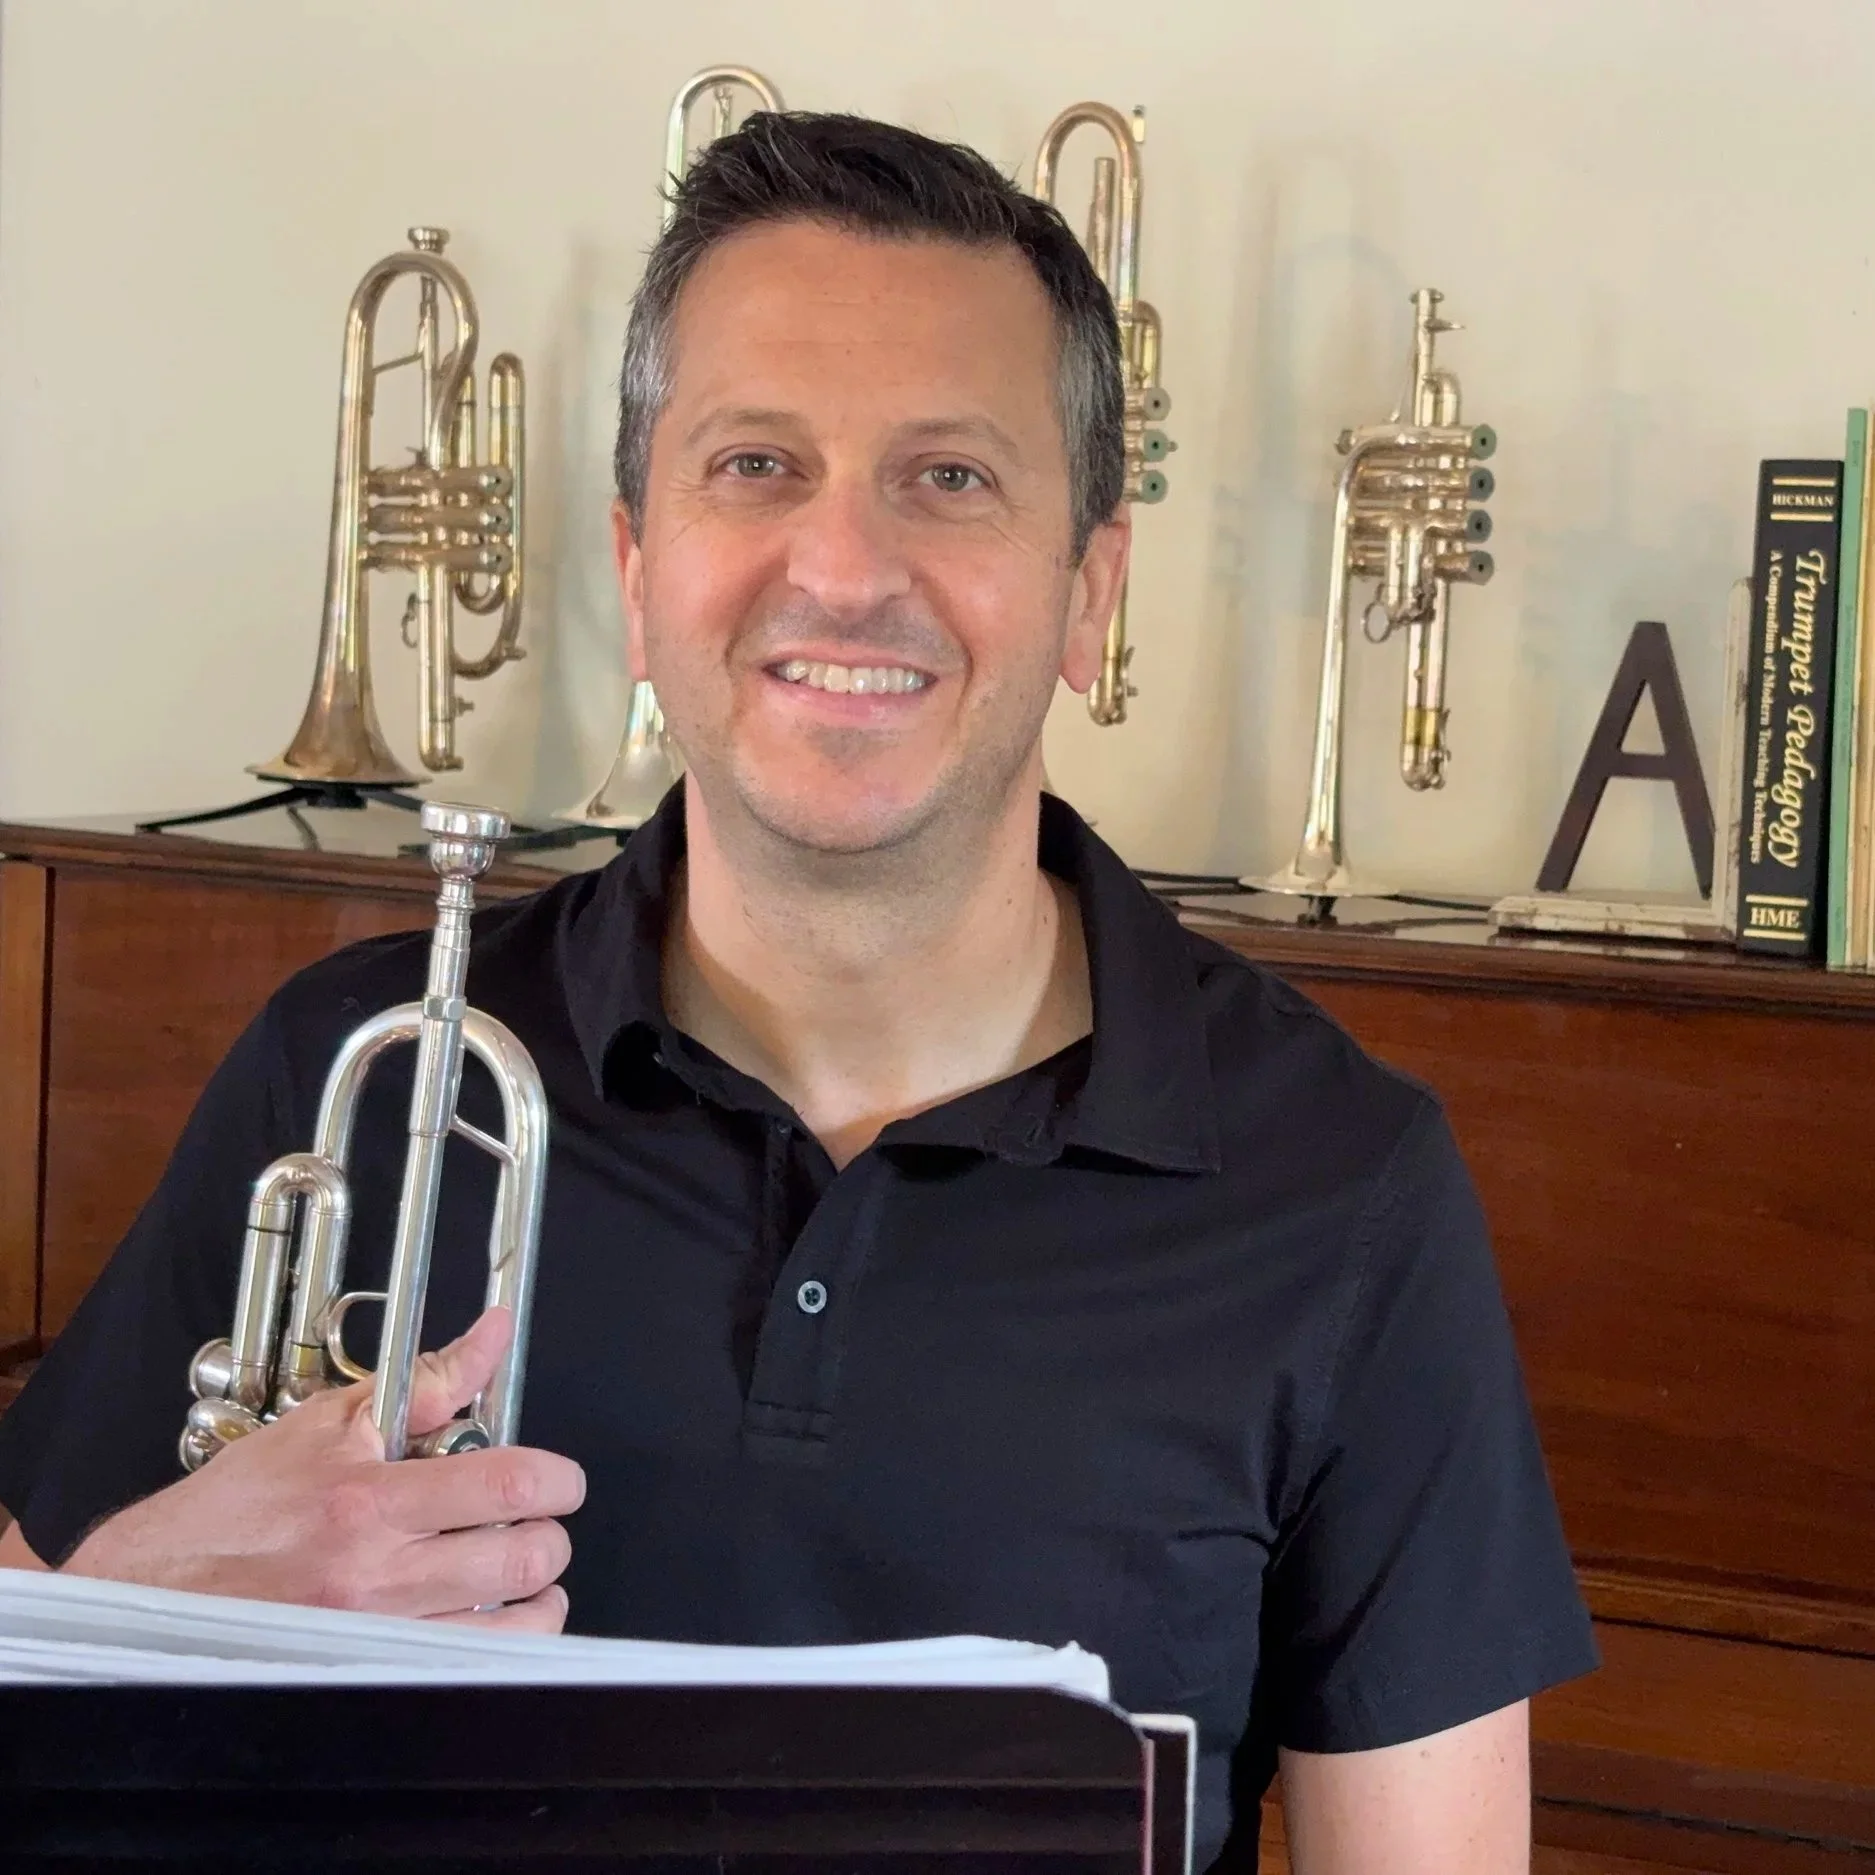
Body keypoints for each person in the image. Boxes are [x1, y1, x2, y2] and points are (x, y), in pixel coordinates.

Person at [0, 112, 1595, 1870]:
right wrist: (130, 1601)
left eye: (951, 475)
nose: (841, 567)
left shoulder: (1341, 1179)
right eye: (755, 464)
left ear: (1092, 588)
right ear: (633, 565)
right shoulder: (358, 1071)